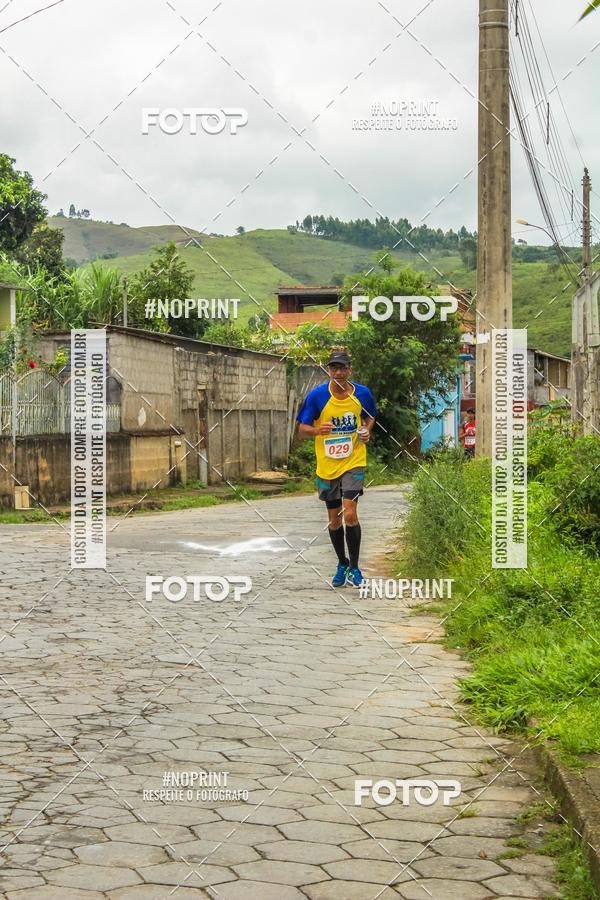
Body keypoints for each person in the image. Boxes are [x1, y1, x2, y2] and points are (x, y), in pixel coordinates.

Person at [296, 350, 377, 587]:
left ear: (349, 369)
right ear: (328, 371)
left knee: (349, 512)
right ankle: (342, 563)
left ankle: (354, 567)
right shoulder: (317, 396)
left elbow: (370, 416)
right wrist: (317, 431)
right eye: (334, 368)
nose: (338, 372)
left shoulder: (362, 393)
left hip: (354, 460)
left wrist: (366, 430)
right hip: (327, 465)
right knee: (334, 520)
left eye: (342, 368)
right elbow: (302, 428)